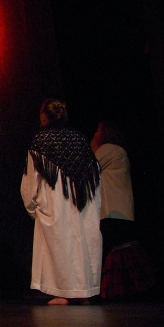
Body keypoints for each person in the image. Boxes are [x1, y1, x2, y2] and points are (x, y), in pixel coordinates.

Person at [21, 99, 102, 305]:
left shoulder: (41, 141)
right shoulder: (79, 139)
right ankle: (84, 291)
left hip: (56, 200)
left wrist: (32, 207)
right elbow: (95, 172)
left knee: (59, 245)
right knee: (80, 244)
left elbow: (31, 179)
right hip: (81, 200)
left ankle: (64, 292)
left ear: (44, 117)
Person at [91, 121, 155, 298]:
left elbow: (88, 168)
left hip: (114, 210)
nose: (94, 134)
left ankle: (125, 291)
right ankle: (130, 290)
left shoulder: (110, 149)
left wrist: (93, 148)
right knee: (120, 250)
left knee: (119, 251)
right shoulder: (119, 151)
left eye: (97, 131)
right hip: (120, 210)